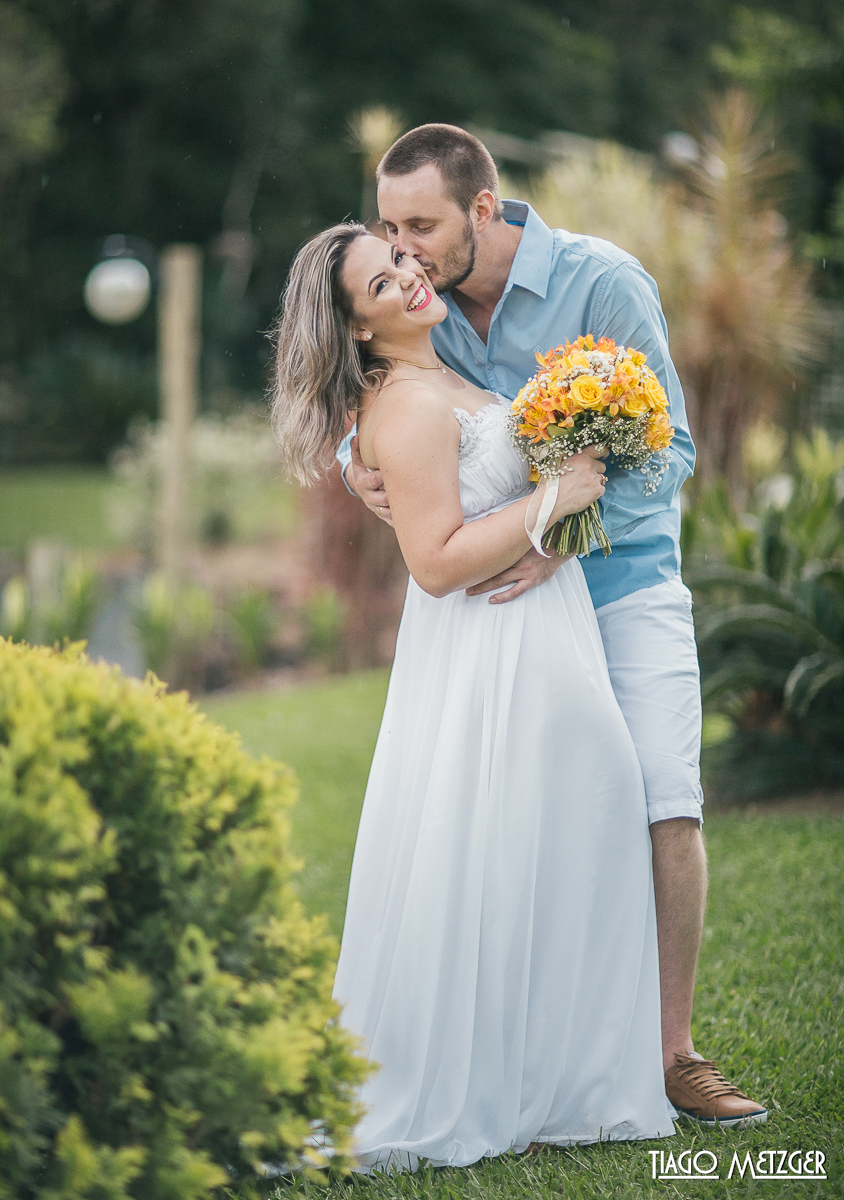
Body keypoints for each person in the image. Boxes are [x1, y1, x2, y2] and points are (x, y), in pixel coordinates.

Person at [337, 124, 767, 1129]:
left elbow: (673, 452)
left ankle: (671, 1055)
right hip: (503, 617)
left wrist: (564, 531)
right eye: (389, 227)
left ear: (482, 209)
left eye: (420, 226)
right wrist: (357, 461)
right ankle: (532, 1052)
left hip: (625, 580)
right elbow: (391, 396)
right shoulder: (422, 307)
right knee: (518, 816)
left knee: (663, 801)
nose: (401, 247)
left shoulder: (602, 283)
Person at [271, 221, 677, 1169]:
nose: (411, 277)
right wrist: (554, 501)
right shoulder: (405, 405)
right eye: (382, 284)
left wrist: (570, 490)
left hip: (542, 633)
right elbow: (438, 564)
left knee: (565, 833)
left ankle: (557, 1079)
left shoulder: (439, 371)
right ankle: (505, 1081)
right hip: (489, 650)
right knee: (516, 841)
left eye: (403, 260)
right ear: (360, 329)